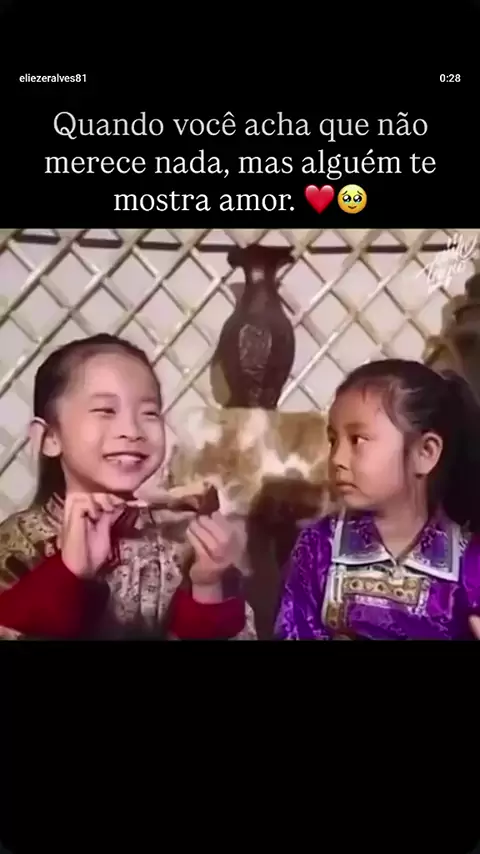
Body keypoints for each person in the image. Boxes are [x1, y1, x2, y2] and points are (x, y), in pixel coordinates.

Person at [0, 333, 256, 640]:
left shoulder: (183, 540)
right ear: (49, 438)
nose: (132, 430)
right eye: (106, 411)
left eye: (149, 413)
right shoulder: (18, 543)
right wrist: (67, 573)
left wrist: (208, 585)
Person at [275, 358, 480, 640]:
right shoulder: (318, 547)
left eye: (357, 440)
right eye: (333, 440)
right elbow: (293, 630)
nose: (337, 459)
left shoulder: (469, 560)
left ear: (426, 452)